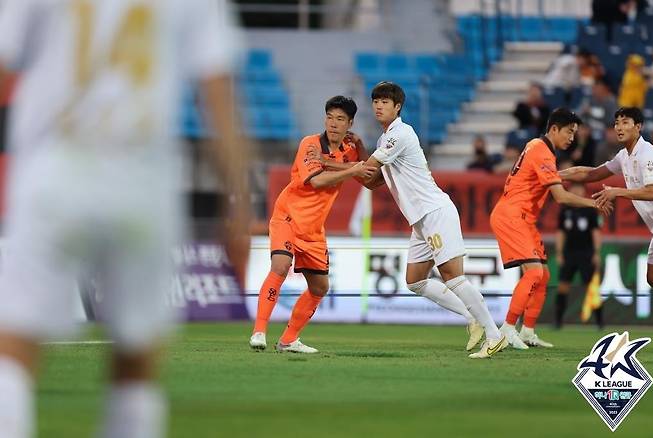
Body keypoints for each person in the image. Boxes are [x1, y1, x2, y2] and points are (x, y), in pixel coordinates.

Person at [0, 1, 251, 437]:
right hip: (141, 181)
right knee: (136, 363)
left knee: (13, 350)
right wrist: (239, 200)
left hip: (54, 170)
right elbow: (218, 90)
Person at [360, 81, 507, 359]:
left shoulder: (401, 133)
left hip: (434, 212)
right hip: (420, 220)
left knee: (453, 276)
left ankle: (494, 335)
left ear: (397, 106)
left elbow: (368, 168)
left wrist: (332, 163)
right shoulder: (384, 141)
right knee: (415, 281)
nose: (378, 106)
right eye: (375, 101)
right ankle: (472, 317)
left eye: (385, 101)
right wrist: (355, 160)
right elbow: (371, 181)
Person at [249, 96, 377, 353]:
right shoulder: (310, 144)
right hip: (288, 217)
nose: (333, 123)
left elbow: (372, 181)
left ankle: (287, 340)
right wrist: (352, 170)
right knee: (281, 265)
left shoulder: (350, 150)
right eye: (330, 117)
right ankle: (259, 331)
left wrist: (361, 149)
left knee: (320, 287)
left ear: (350, 123)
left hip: (313, 230)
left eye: (340, 119)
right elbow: (317, 181)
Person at [490, 108, 611, 350]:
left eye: (575, 133)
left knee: (543, 275)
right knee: (534, 273)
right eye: (569, 132)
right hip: (512, 215)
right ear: (554, 129)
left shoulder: (537, 147)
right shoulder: (542, 152)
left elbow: (567, 174)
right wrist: (593, 203)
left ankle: (527, 331)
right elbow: (561, 197)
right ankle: (506, 329)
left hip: (523, 218)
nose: (572, 138)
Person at [561, 106, 653, 288]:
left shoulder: (648, 154)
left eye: (625, 122)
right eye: (616, 123)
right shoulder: (623, 156)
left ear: (638, 127)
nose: (619, 127)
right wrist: (554, 174)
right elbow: (591, 174)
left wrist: (617, 191)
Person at [555, 183, 603, 329]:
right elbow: (561, 233)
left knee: (591, 288)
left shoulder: (590, 211)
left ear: (583, 191)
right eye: (573, 188)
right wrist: (559, 253)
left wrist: (596, 253)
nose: (576, 190)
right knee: (563, 286)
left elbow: (596, 232)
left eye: (579, 188)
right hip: (569, 253)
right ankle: (558, 321)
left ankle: (600, 322)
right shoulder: (565, 210)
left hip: (586, 253)